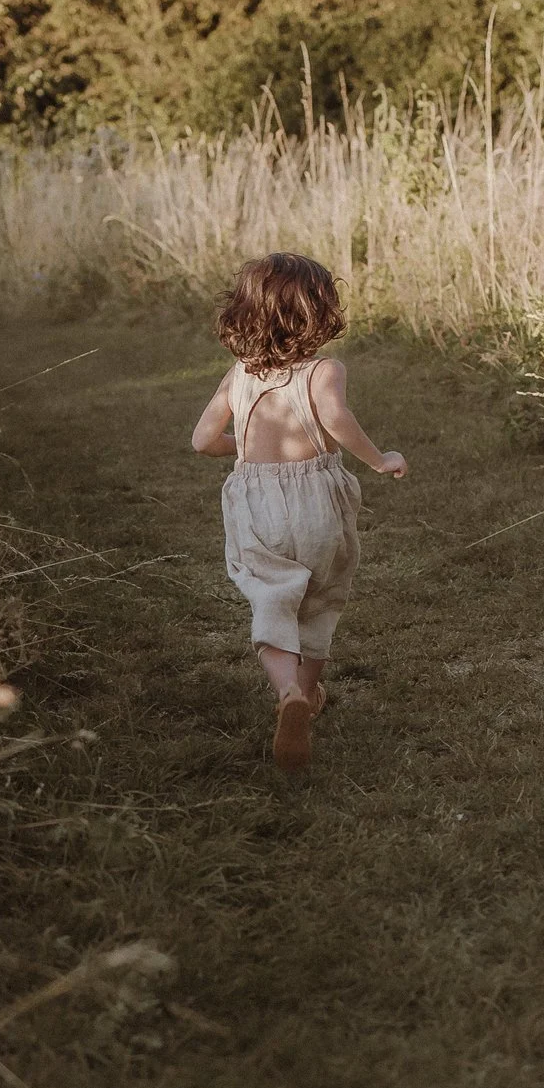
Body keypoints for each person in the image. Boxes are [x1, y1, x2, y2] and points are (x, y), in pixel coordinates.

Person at [190, 253, 407, 774]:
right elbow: (333, 417)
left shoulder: (238, 377)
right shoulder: (324, 370)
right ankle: (307, 696)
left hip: (257, 506)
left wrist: (243, 449)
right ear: (319, 312)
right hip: (318, 506)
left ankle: (286, 690)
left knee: (271, 597)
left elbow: (201, 441)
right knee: (320, 599)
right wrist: (380, 459)